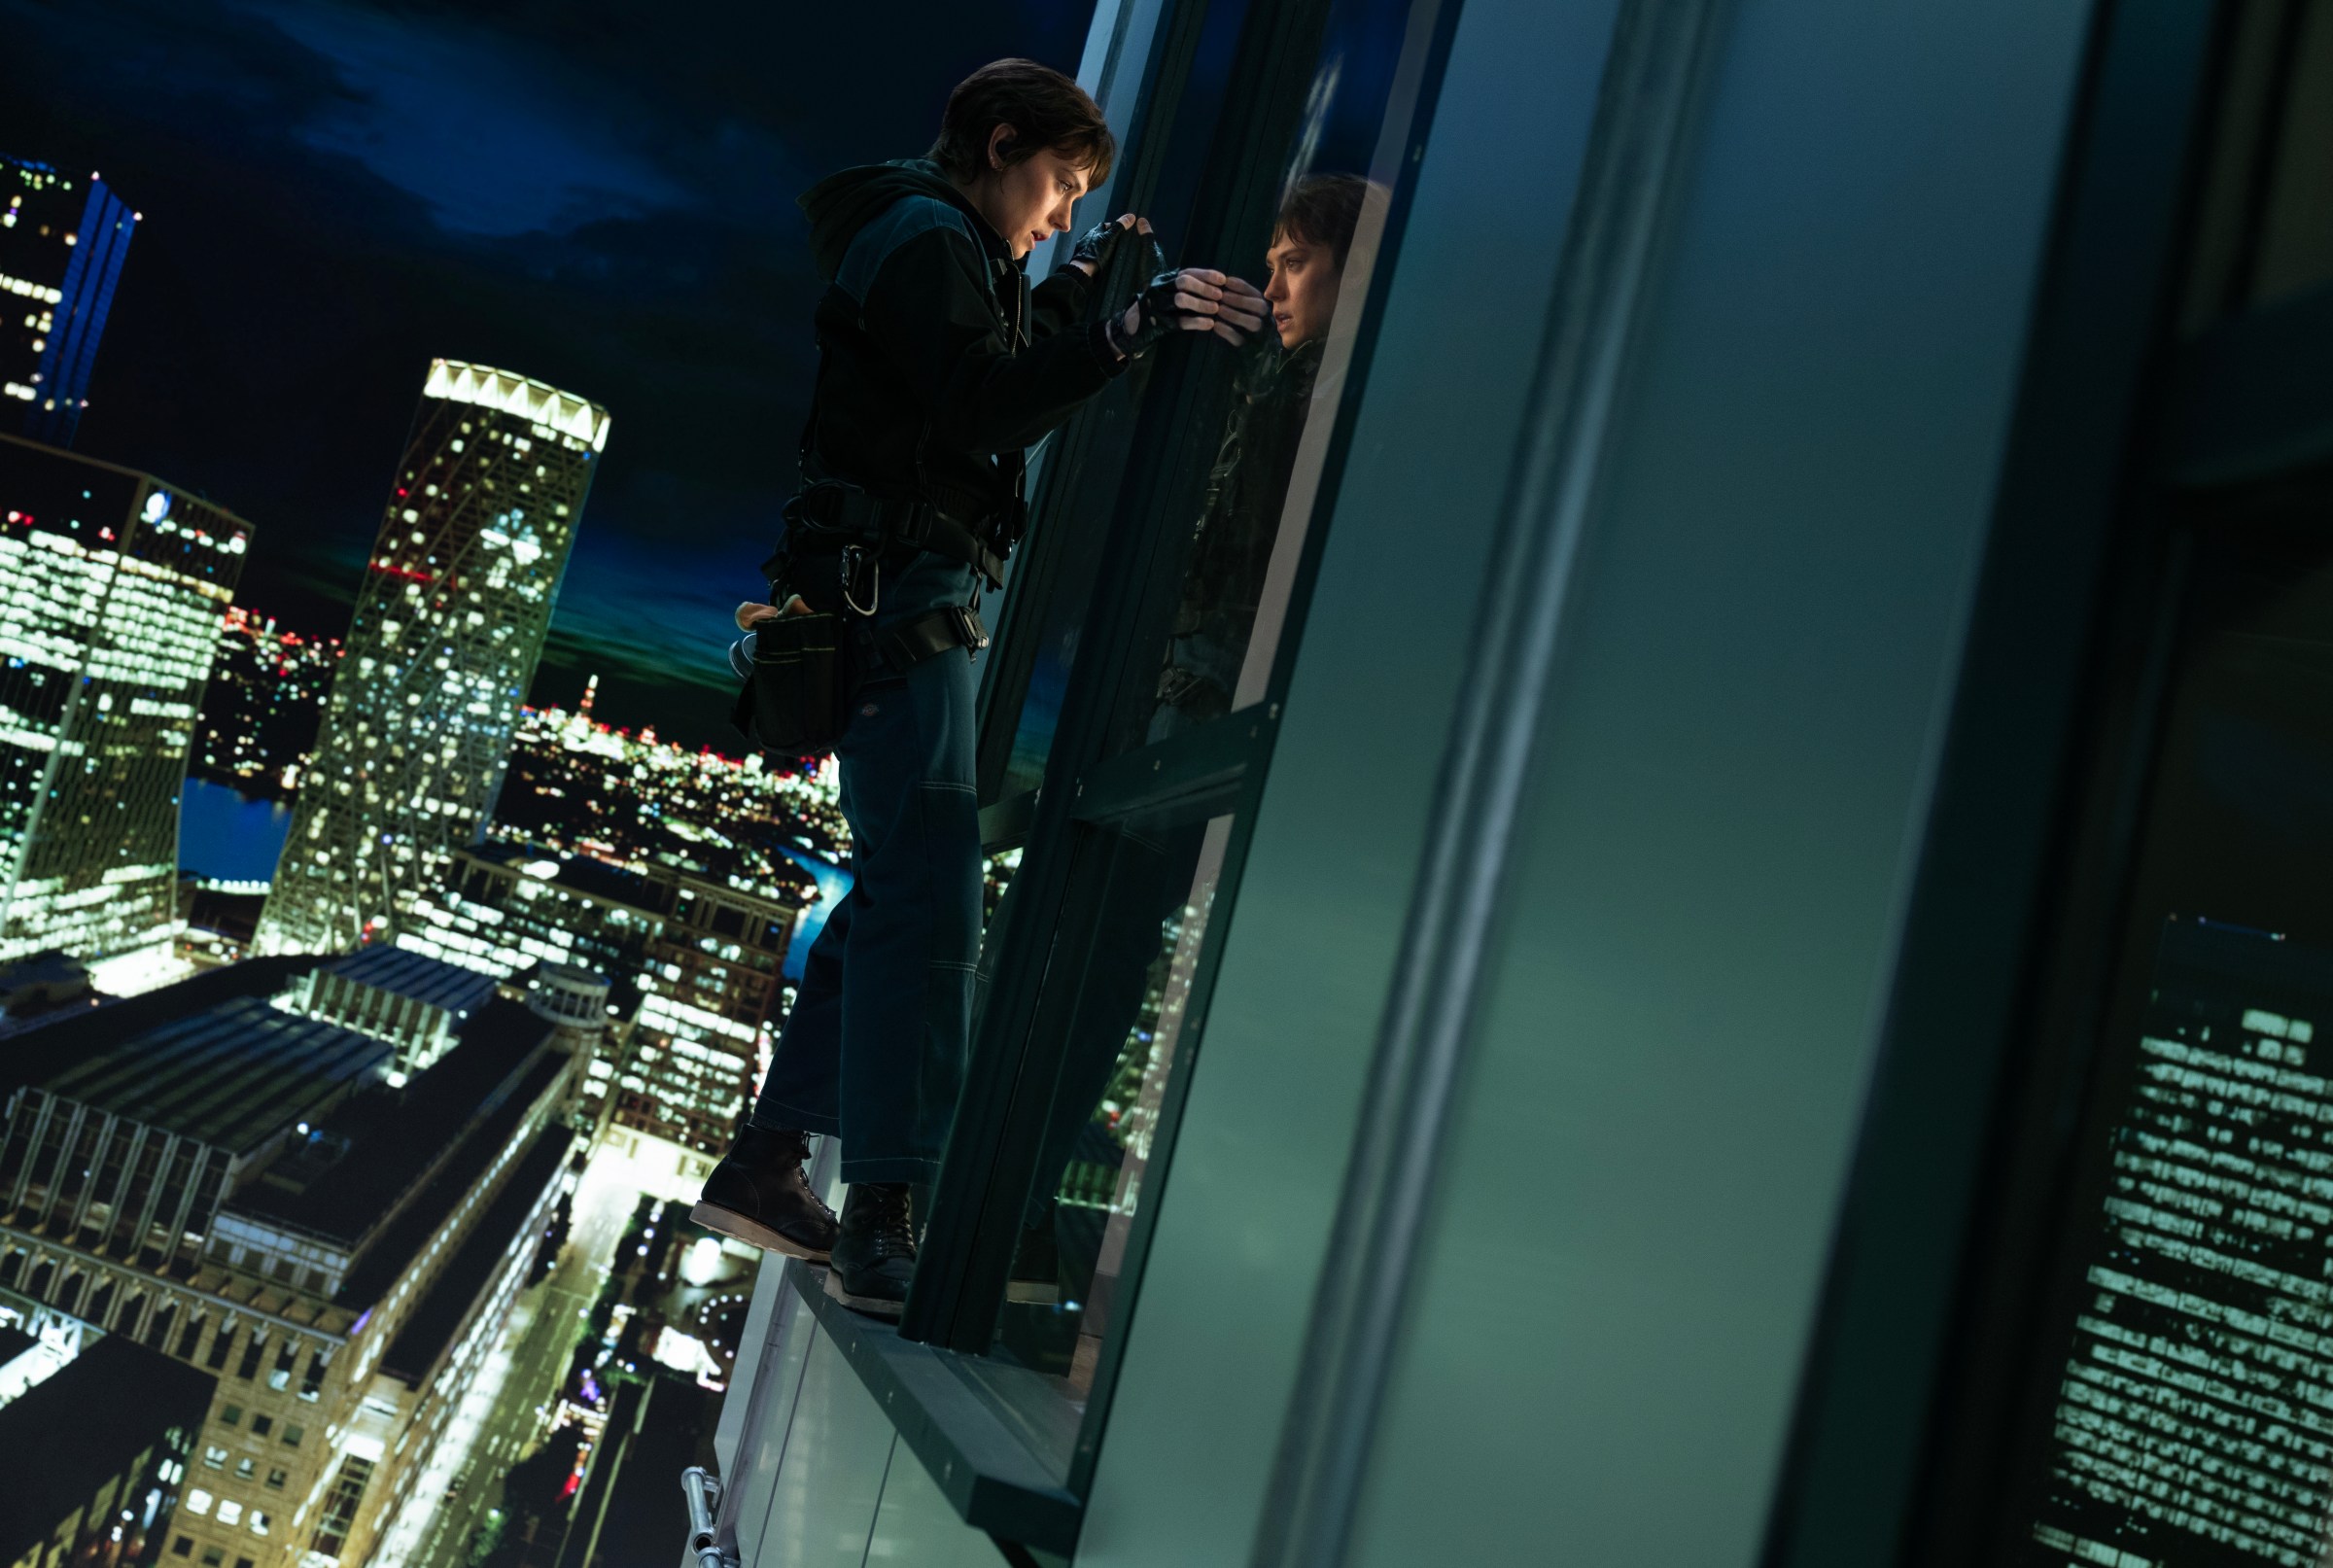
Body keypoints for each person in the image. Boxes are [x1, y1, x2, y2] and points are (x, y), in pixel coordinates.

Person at [690, 57, 1268, 1320]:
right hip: (899, 606)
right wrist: (1126, 323)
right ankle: (887, 1216)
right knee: (930, 899)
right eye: (1056, 184)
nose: (1058, 213)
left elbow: (966, 384)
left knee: (900, 887)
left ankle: (769, 1158)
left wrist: (1075, 300)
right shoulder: (922, 237)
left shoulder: (938, 246)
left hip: (897, 604)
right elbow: (979, 407)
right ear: (999, 144)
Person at [1010, 174, 1375, 1309]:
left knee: (1116, 944)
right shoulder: (1283, 385)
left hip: (1210, 712)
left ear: (1353, 271)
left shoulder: (1332, 400)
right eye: (1271, 262)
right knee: (1113, 944)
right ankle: (1016, 1199)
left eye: (1295, 263)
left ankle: (1016, 1200)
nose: (1272, 285)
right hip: (1186, 706)